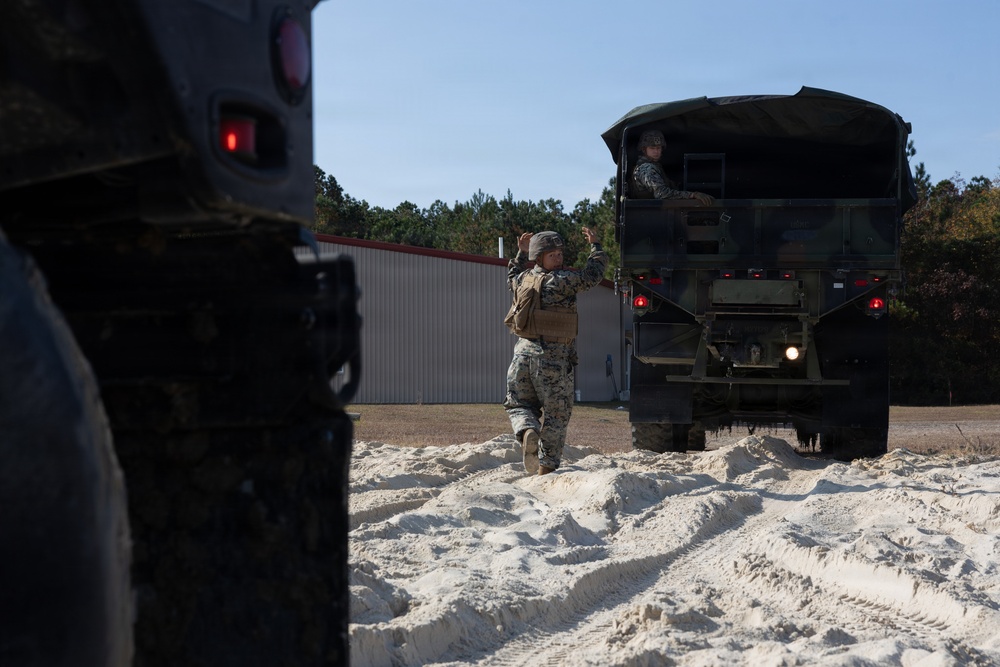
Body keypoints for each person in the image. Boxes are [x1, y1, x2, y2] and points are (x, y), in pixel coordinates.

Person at [503, 227, 609, 475]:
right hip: (552, 359)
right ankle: (546, 467)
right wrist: (595, 246)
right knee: (557, 415)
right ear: (539, 258)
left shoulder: (524, 279)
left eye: (560, 254)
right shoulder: (562, 281)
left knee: (519, 404)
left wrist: (521, 253)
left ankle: (527, 430)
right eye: (553, 255)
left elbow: (512, 275)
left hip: (521, 356)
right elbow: (592, 275)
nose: (559, 259)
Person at [631, 129, 714, 205]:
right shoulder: (647, 168)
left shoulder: (654, 166)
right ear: (644, 149)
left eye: (658, 148)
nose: (656, 151)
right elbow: (662, 194)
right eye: (652, 148)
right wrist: (692, 195)